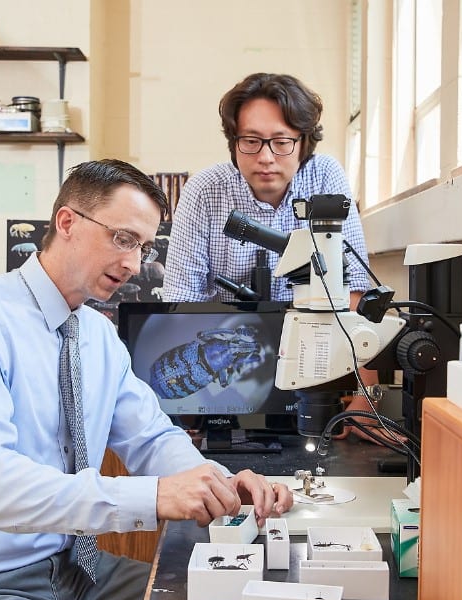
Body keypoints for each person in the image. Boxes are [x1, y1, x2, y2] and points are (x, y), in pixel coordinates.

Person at [0, 159, 293, 600]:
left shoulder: (98, 337)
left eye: (142, 246)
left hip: (75, 574)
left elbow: (151, 438)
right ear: (67, 223)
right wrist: (155, 496)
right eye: (122, 239)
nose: (133, 264)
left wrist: (219, 483)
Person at [162, 72, 388, 437]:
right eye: (251, 141)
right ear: (233, 142)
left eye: (281, 142)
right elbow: (181, 303)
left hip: (315, 373)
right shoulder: (205, 190)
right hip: (227, 374)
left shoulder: (324, 177)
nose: (266, 157)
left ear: (303, 143)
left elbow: (357, 297)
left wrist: (366, 402)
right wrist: (188, 409)